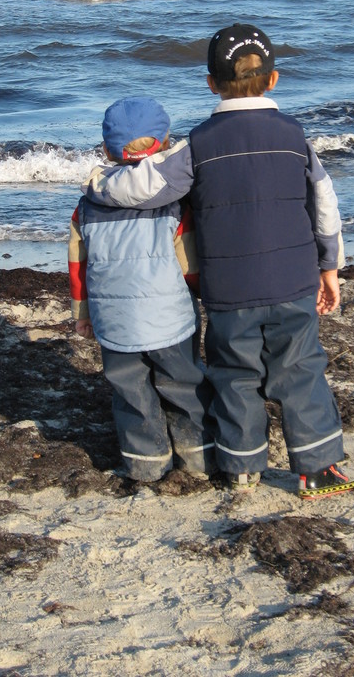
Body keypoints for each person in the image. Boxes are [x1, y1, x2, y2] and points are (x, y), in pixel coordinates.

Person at [84, 25, 354, 500]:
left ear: (210, 83)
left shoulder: (198, 145)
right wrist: (330, 268)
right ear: (273, 80)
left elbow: (143, 187)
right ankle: (317, 468)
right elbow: (325, 206)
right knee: (299, 369)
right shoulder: (294, 137)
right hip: (293, 283)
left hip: (230, 289)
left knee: (234, 373)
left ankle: (241, 467)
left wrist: (98, 185)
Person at [69, 96, 215, 483]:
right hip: (170, 319)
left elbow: (78, 266)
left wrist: (82, 314)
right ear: (165, 143)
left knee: (130, 391)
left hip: (114, 322)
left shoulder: (87, 205)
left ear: (105, 150)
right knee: (184, 384)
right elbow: (189, 264)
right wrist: (204, 295)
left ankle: (145, 464)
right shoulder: (173, 203)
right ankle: (198, 456)